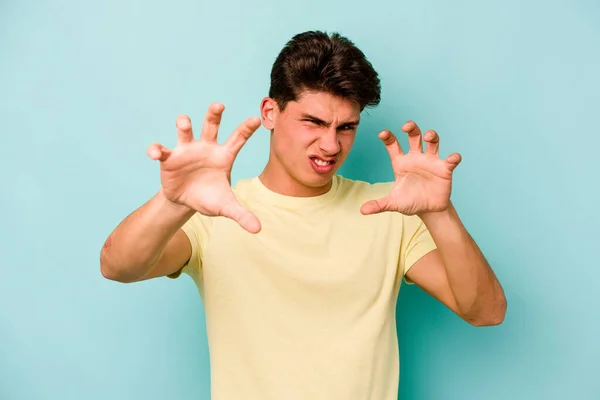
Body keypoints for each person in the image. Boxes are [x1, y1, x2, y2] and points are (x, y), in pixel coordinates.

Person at [100, 30, 507, 400]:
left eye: (346, 127)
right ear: (270, 112)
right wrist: (173, 203)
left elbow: (486, 312)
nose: (330, 145)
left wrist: (441, 213)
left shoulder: (390, 211)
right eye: (313, 121)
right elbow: (118, 266)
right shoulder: (214, 211)